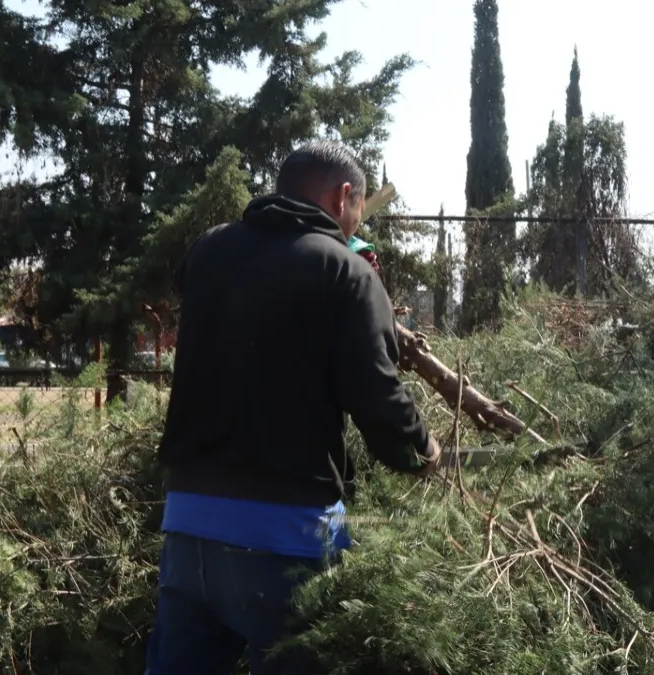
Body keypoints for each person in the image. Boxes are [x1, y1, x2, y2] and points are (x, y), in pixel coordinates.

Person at [144, 140, 442, 674]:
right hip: (287, 540)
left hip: (188, 526)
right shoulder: (347, 272)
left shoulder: (208, 250)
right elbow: (378, 396)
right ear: (344, 196)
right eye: (358, 209)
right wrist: (422, 450)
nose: (354, 224)